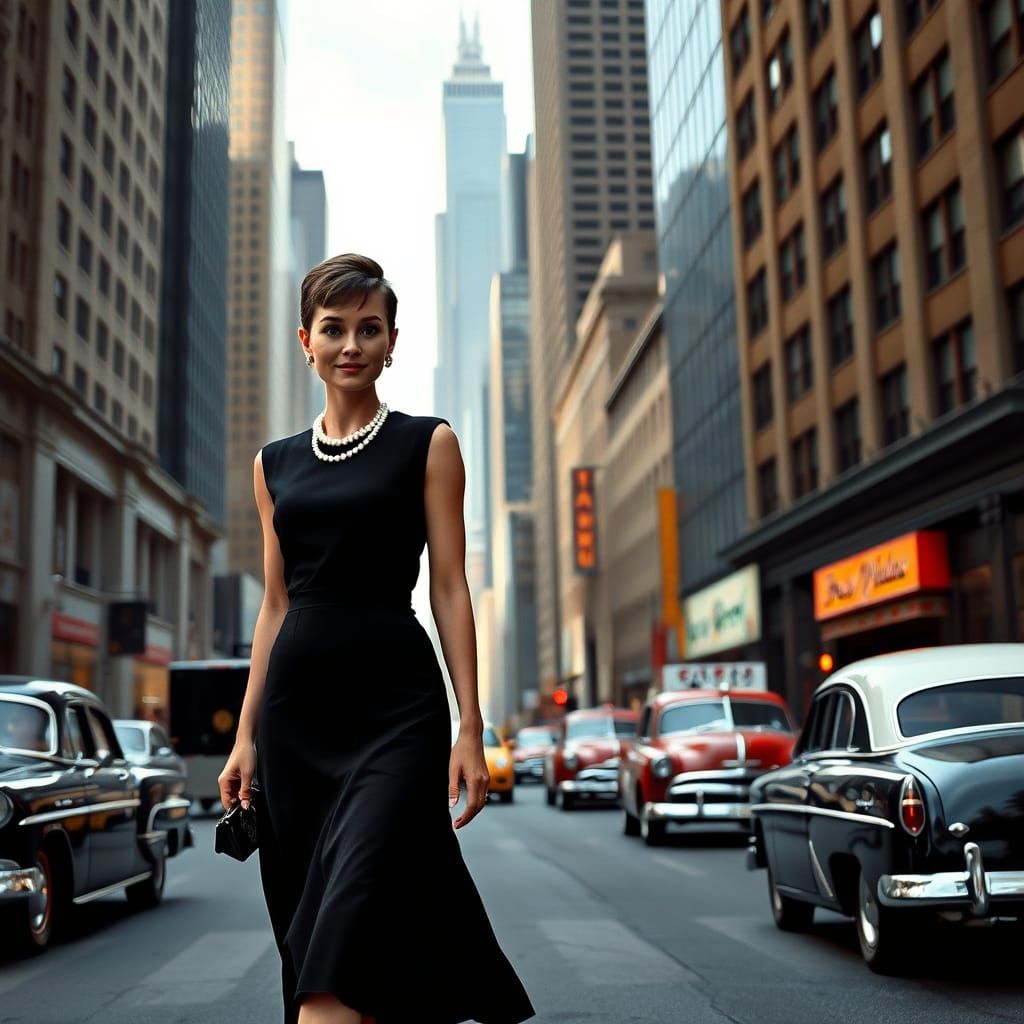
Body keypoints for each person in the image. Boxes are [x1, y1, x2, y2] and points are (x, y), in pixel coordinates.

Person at [217, 254, 535, 1024]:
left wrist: (470, 726)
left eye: (370, 329)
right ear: (306, 341)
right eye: (334, 329)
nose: (351, 344)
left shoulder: (430, 443)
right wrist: (246, 737)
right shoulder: (273, 465)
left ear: (392, 342)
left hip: (397, 714)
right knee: (325, 928)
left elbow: (450, 588)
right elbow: (275, 605)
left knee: (342, 940)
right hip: (297, 726)